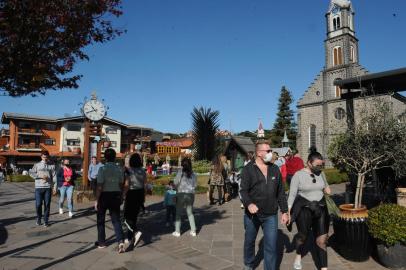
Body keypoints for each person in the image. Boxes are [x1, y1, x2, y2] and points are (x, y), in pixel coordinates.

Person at [240, 140, 289, 270]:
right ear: (259, 153)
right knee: (249, 242)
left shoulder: (274, 169)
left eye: (270, 150)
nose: (270, 153)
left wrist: (284, 211)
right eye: (268, 151)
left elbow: (281, 193)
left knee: (271, 246)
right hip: (252, 216)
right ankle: (249, 264)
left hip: (270, 215)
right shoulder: (248, 169)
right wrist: (249, 204)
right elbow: (243, 191)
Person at [287, 151, 331, 270]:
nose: (319, 167)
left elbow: (326, 187)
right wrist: (288, 212)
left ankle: (324, 268)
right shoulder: (298, 175)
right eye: (317, 165)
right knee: (303, 236)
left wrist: (327, 188)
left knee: (322, 240)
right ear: (309, 163)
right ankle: (298, 255)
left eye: (321, 165)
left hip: (320, 208)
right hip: (304, 209)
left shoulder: (321, 173)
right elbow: (292, 195)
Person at [95, 149, 125, 253]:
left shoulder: (102, 169)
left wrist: (97, 199)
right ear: (114, 157)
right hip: (116, 194)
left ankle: (102, 242)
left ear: (105, 158)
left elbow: (99, 186)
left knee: (101, 219)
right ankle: (120, 240)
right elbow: (121, 184)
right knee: (116, 219)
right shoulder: (119, 169)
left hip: (104, 195)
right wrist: (121, 196)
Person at [122, 153, 146, 250]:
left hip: (131, 194)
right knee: (134, 216)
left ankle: (136, 231)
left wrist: (123, 194)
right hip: (140, 193)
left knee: (126, 217)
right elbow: (144, 185)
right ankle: (129, 237)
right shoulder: (143, 171)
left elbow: (127, 184)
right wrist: (143, 198)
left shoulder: (129, 171)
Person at [29, 150, 56, 227]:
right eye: (44, 157)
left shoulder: (52, 165)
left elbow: (54, 177)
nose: (45, 158)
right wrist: (40, 176)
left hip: (47, 187)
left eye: (46, 157)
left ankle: (46, 220)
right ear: (41, 157)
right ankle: (39, 218)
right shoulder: (37, 165)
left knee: (47, 204)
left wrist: (54, 188)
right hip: (38, 187)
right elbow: (31, 173)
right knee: (38, 204)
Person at [172, 157, 197, 237]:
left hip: (181, 194)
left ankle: (177, 231)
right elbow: (195, 185)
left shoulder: (180, 173)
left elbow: (175, 183)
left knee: (178, 213)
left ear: (182, 165)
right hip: (191, 194)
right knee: (190, 213)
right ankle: (193, 231)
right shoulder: (193, 174)